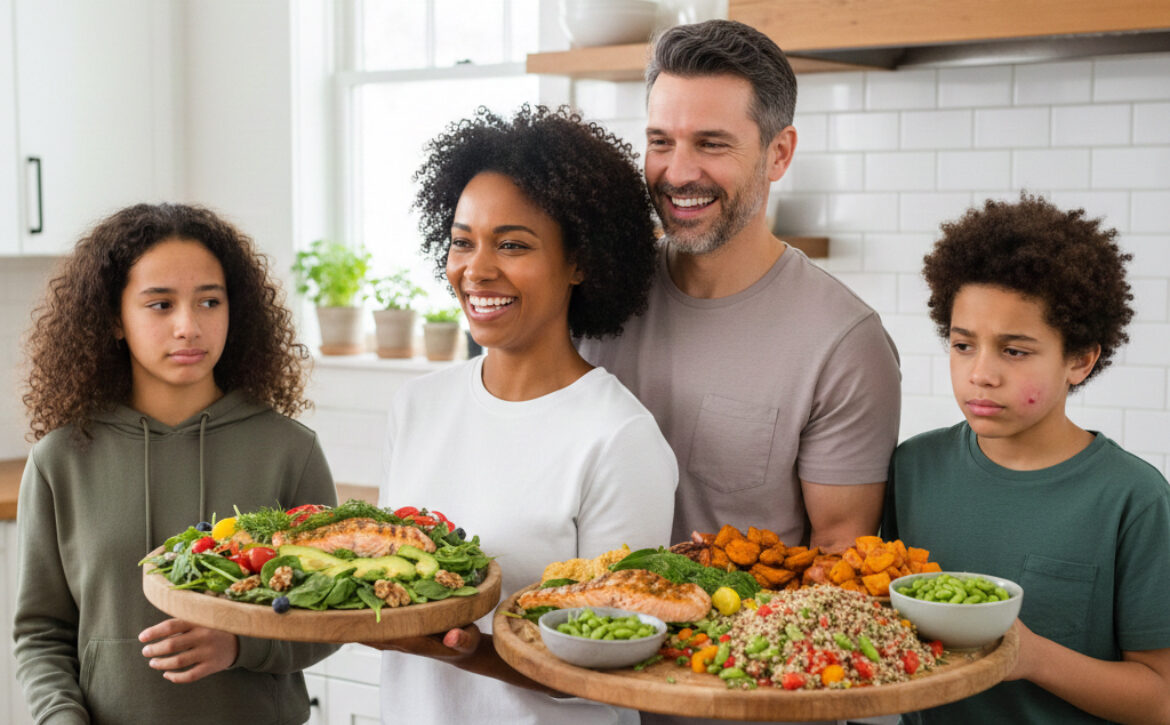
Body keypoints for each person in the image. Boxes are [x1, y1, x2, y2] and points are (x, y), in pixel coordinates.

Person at [371, 105, 678, 724]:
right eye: (462, 241)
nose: (476, 270)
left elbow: (613, 664)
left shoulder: (618, 438)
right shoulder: (418, 406)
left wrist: (469, 651)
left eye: (513, 245)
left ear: (580, 262)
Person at [579, 20, 901, 555]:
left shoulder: (844, 343)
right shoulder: (595, 292)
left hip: (738, 638)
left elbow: (839, 560)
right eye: (661, 141)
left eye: (711, 144)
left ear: (779, 154)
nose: (678, 172)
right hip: (578, 628)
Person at [14, 203, 339, 725]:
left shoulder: (288, 451)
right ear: (115, 320)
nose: (189, 326)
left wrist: (239, 646)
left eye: (209, 301)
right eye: (160, 305)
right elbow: (41, 633)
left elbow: (330, 617)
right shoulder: (60, 460)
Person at [882, 194, 1170, 724]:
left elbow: (1160, 699)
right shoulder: (911, 469)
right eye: (963, 345)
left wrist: (1031, 658)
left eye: (1014, 351)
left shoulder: (1135, 498)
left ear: (1080, 360)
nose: (981, 374)